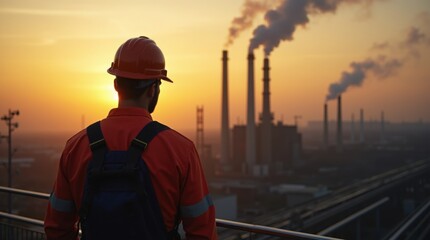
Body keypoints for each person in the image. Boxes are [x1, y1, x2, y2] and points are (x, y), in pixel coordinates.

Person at [44, 36, 218, 240]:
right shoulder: (180, 150)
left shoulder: (76, 147)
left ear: (116, 85)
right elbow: (202, 232)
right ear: (153, 88)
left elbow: (57, 228)